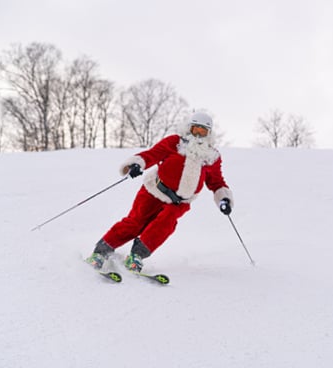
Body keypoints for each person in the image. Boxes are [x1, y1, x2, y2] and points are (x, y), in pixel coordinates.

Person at [86, 111, 234, 272]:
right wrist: (137, 164)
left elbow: (217, 182)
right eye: (195, 130)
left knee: (165, 225)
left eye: (203, 131)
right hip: (154, 191)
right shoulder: (175, 143)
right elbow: (153, 154)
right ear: (189, 128)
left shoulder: (211, 157)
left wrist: (223, 200)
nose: (198, 134)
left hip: (179, 202)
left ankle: (136, 256)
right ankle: (100, 252)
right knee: (135, 222)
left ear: (209, 134)